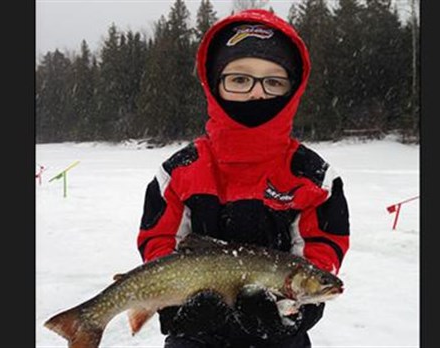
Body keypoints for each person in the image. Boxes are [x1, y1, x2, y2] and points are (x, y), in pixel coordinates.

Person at [135, 8, 350, 348]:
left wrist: (299, 313)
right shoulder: (177, 171)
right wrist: (173, 305)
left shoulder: (314, 177)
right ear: (215, 85)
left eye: (273, 81)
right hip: (194, 338)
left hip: (281, 340)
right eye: (239, 79)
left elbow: (321, 249)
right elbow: (159, 245)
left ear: (292, 90)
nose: (256, 93)